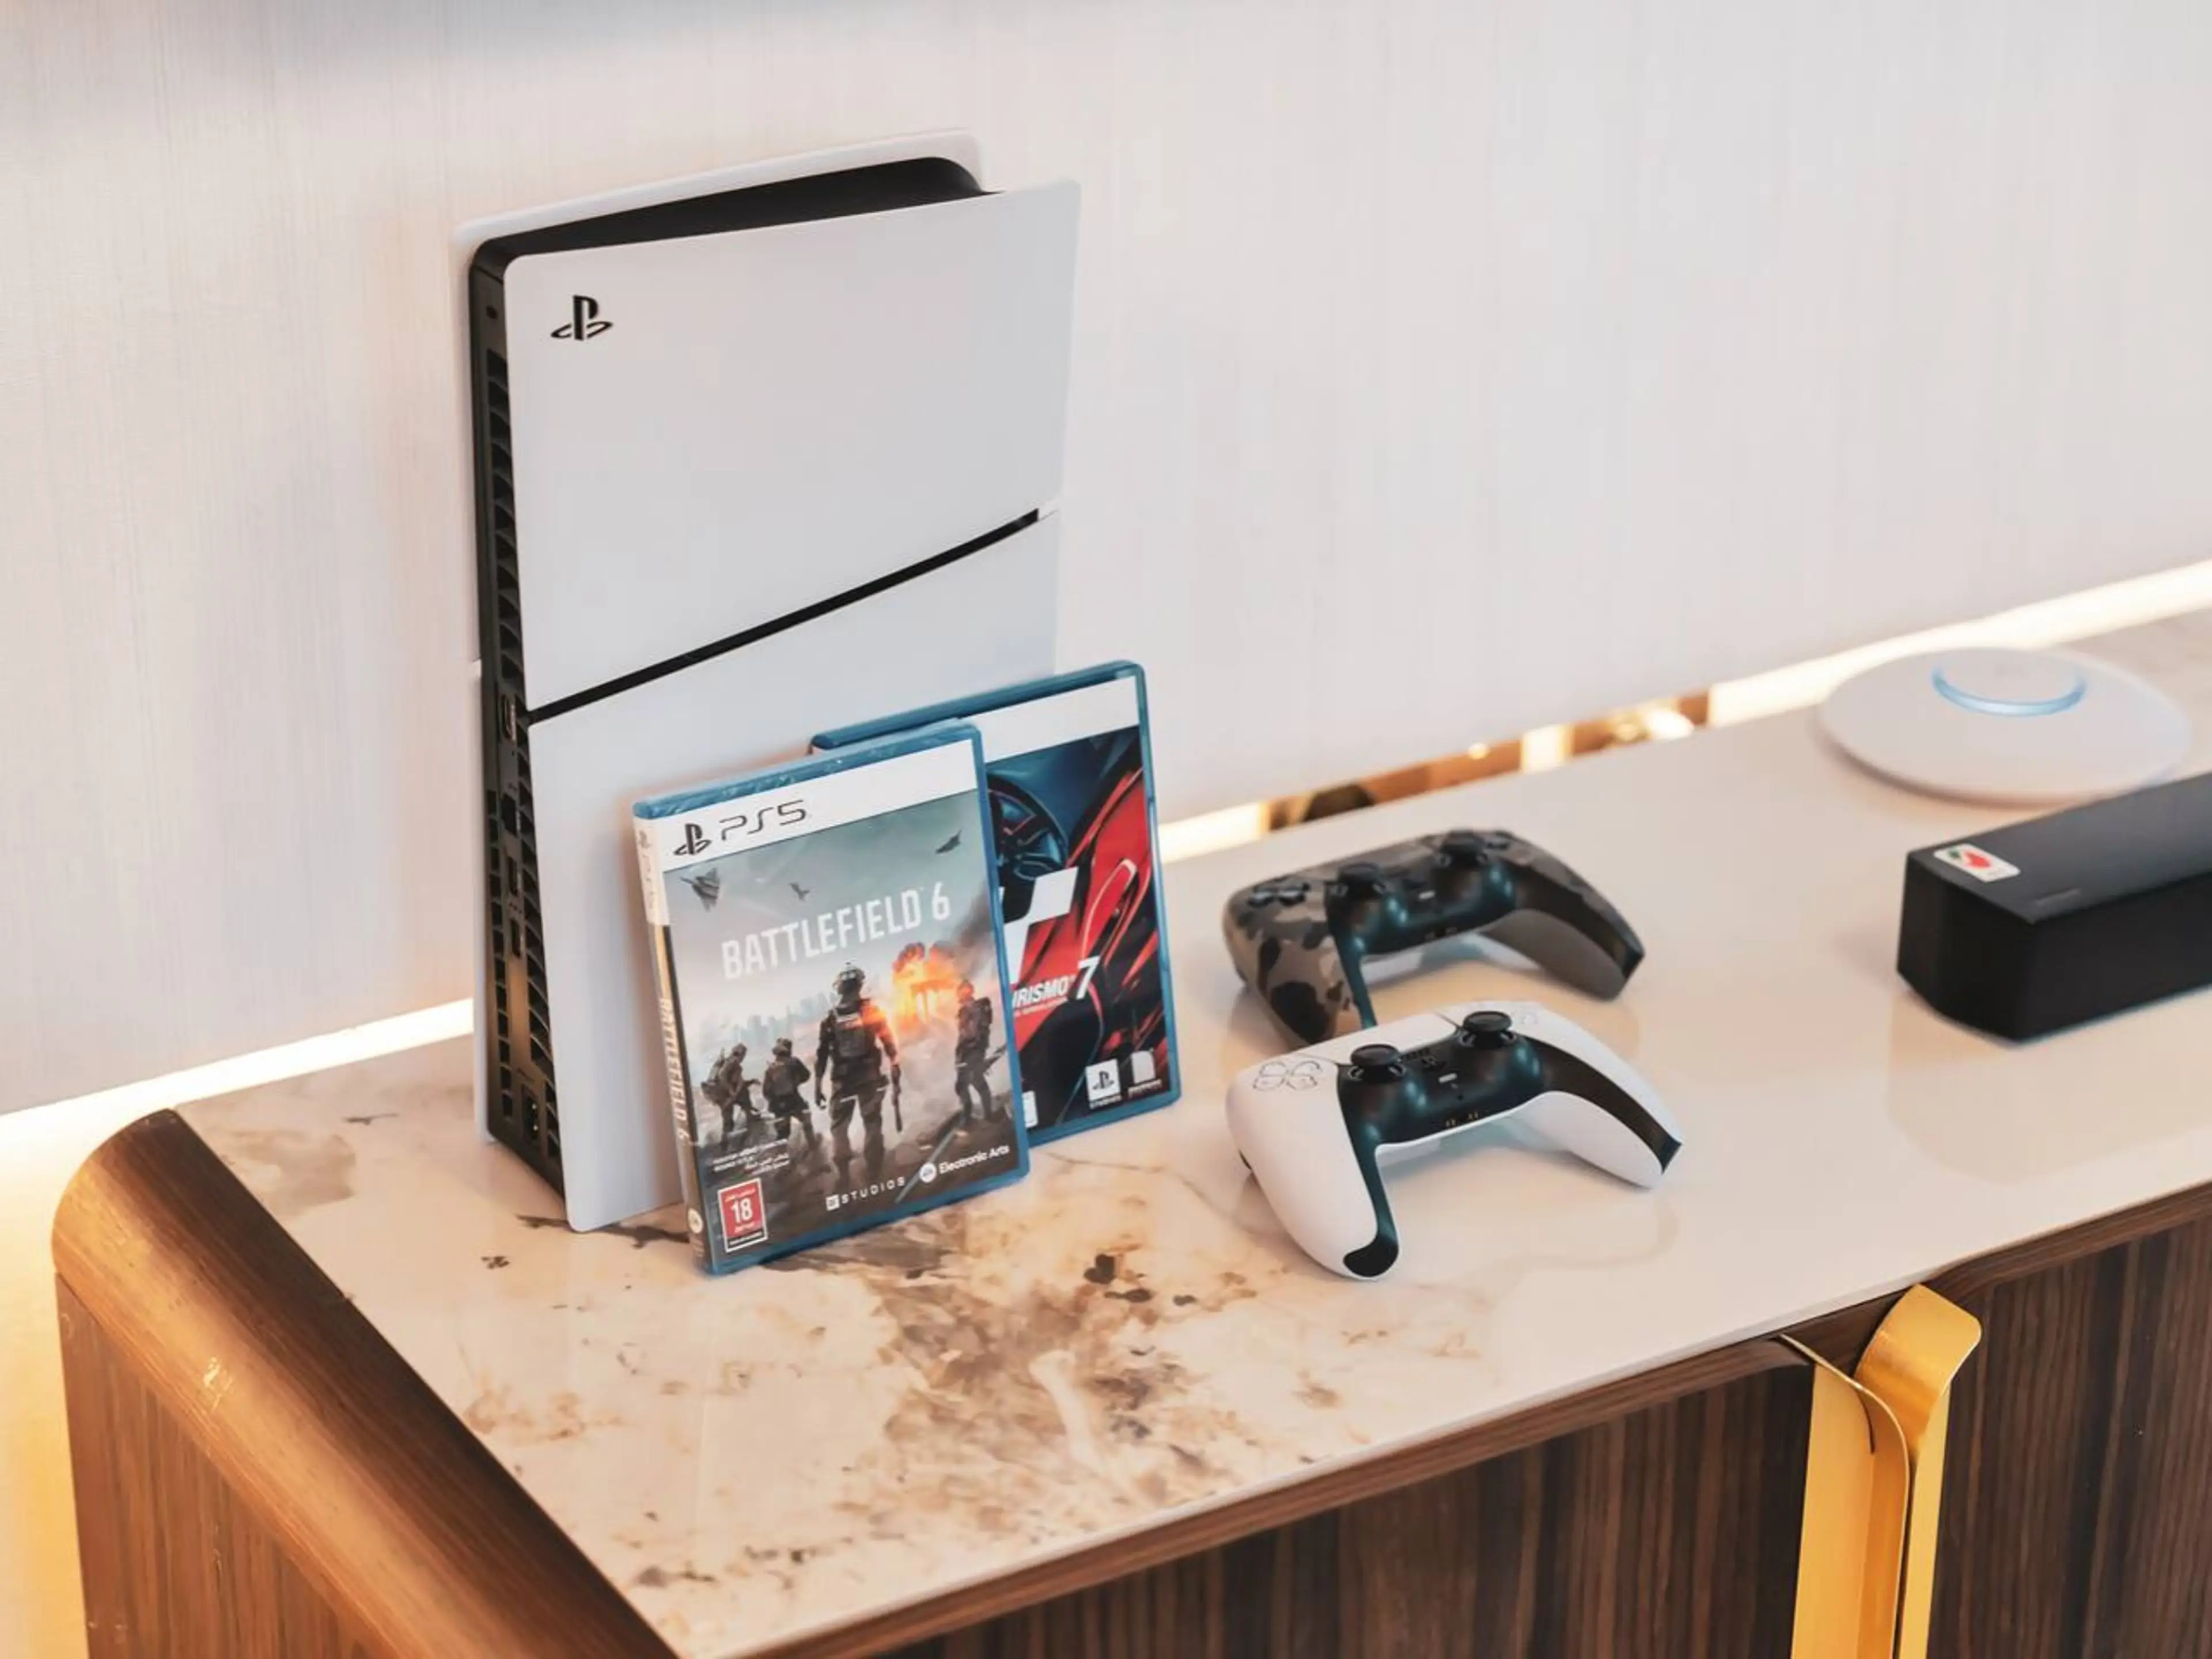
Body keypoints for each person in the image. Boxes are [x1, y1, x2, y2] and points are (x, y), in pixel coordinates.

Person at [815, 964, 900, 1187]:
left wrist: (817, 1086)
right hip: (868, 1077)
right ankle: (874, 1174)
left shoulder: (831, 1019)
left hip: (842, 1081)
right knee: (872, 1122)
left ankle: (844, 1176)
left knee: (839, 1127)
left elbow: (822, 1055)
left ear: (839, 988)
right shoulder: (871, 1012)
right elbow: (888, 1040)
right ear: (859, 985)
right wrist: (895, 1064)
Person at [699, 1042, 757, 1150]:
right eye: (743, 1055)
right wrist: (731, 1091)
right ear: (741, 1054)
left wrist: (751, 1082)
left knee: (729, 1121)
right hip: (725, 1096)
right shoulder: (733, 1064)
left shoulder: (727, 1062)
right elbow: (723, 1076)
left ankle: (725, 1144)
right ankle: (729, 1143)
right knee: (729, 1121)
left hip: (722, 1096)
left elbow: (738, 1083)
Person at [952, 979, 996, 1124]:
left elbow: (979, 1029)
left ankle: (984, 1116)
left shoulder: (980, 1007)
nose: (962, 993)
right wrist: (959, 1056)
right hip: (965, 1051)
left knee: (975, 1081)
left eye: (965, 989)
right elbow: (962, 1035)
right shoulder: (963, 1011)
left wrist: (975, 1047)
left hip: (975, 1049)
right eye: (961, 990)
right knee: (964, 1085)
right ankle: (970, 1117)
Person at [759, 1036, 815, 1147]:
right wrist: (796, 1082)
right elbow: (806, 1075)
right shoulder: (794, 1062)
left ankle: (781, 1155)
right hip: (794, 1100)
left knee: (783, 1135)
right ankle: (813, 1148)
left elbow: (766, 1092)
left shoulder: (771, 1068)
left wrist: (775, 1102)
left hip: (778, 1105)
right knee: (807, 1124)